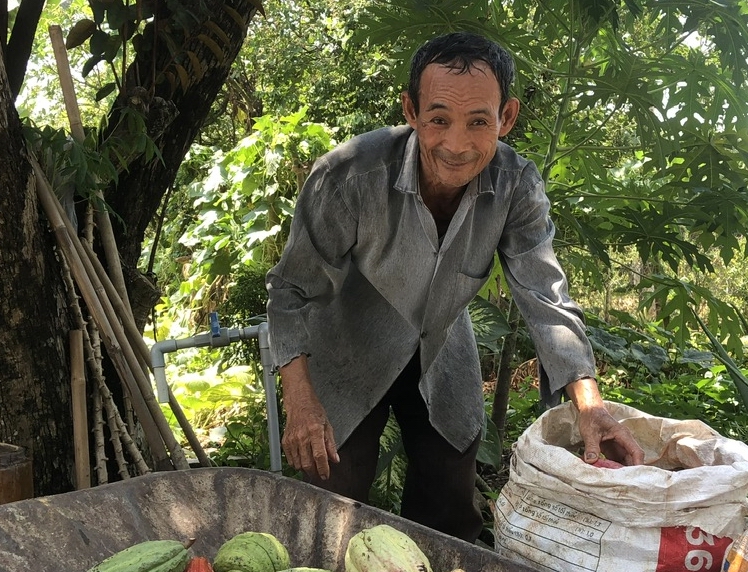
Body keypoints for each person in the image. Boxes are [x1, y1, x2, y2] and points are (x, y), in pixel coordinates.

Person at [265, 31, 644, 542]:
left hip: (442, 350)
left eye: (479, 122)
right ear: (411, 111)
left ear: (506, 119)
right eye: (439, 119)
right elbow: (290, 291)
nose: (457, 145)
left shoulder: (516, 187)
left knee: (449, 512)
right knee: (329, 509)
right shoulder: (349, 176)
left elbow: (545, 295)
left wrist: (590, 405)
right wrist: (301, 400)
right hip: (345, 351)